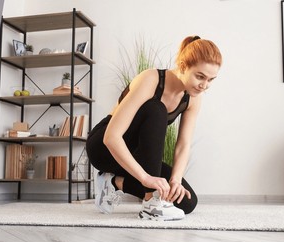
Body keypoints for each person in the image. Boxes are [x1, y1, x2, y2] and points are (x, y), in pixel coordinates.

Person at [86, 35, 222, 221]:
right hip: (104, 148)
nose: (204, 85)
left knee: (186, 201)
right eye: (200, 76)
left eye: (210, 80)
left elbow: (183, 144)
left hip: (139, 155)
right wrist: (146, 179)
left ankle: (113, 182)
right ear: (183, 66)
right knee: (156, 108)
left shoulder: (193, 97)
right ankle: (151, 204)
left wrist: (175, 180)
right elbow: (112, 137)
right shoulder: (152, 79)